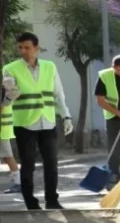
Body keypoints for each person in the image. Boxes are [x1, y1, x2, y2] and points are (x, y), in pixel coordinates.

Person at [2, 32, 73, 210]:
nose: (23, 51)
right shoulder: (10, 69)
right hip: (24, 123)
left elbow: (58, 93)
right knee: (28, 165)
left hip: (47, 121)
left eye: (27, 47)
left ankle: (52, 200)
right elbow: (6, 99)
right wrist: (9, 95)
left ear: (36, 48)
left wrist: (66, 116)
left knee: (51, 164)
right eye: (20, 48)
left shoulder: (50, 67)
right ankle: (31, 203)